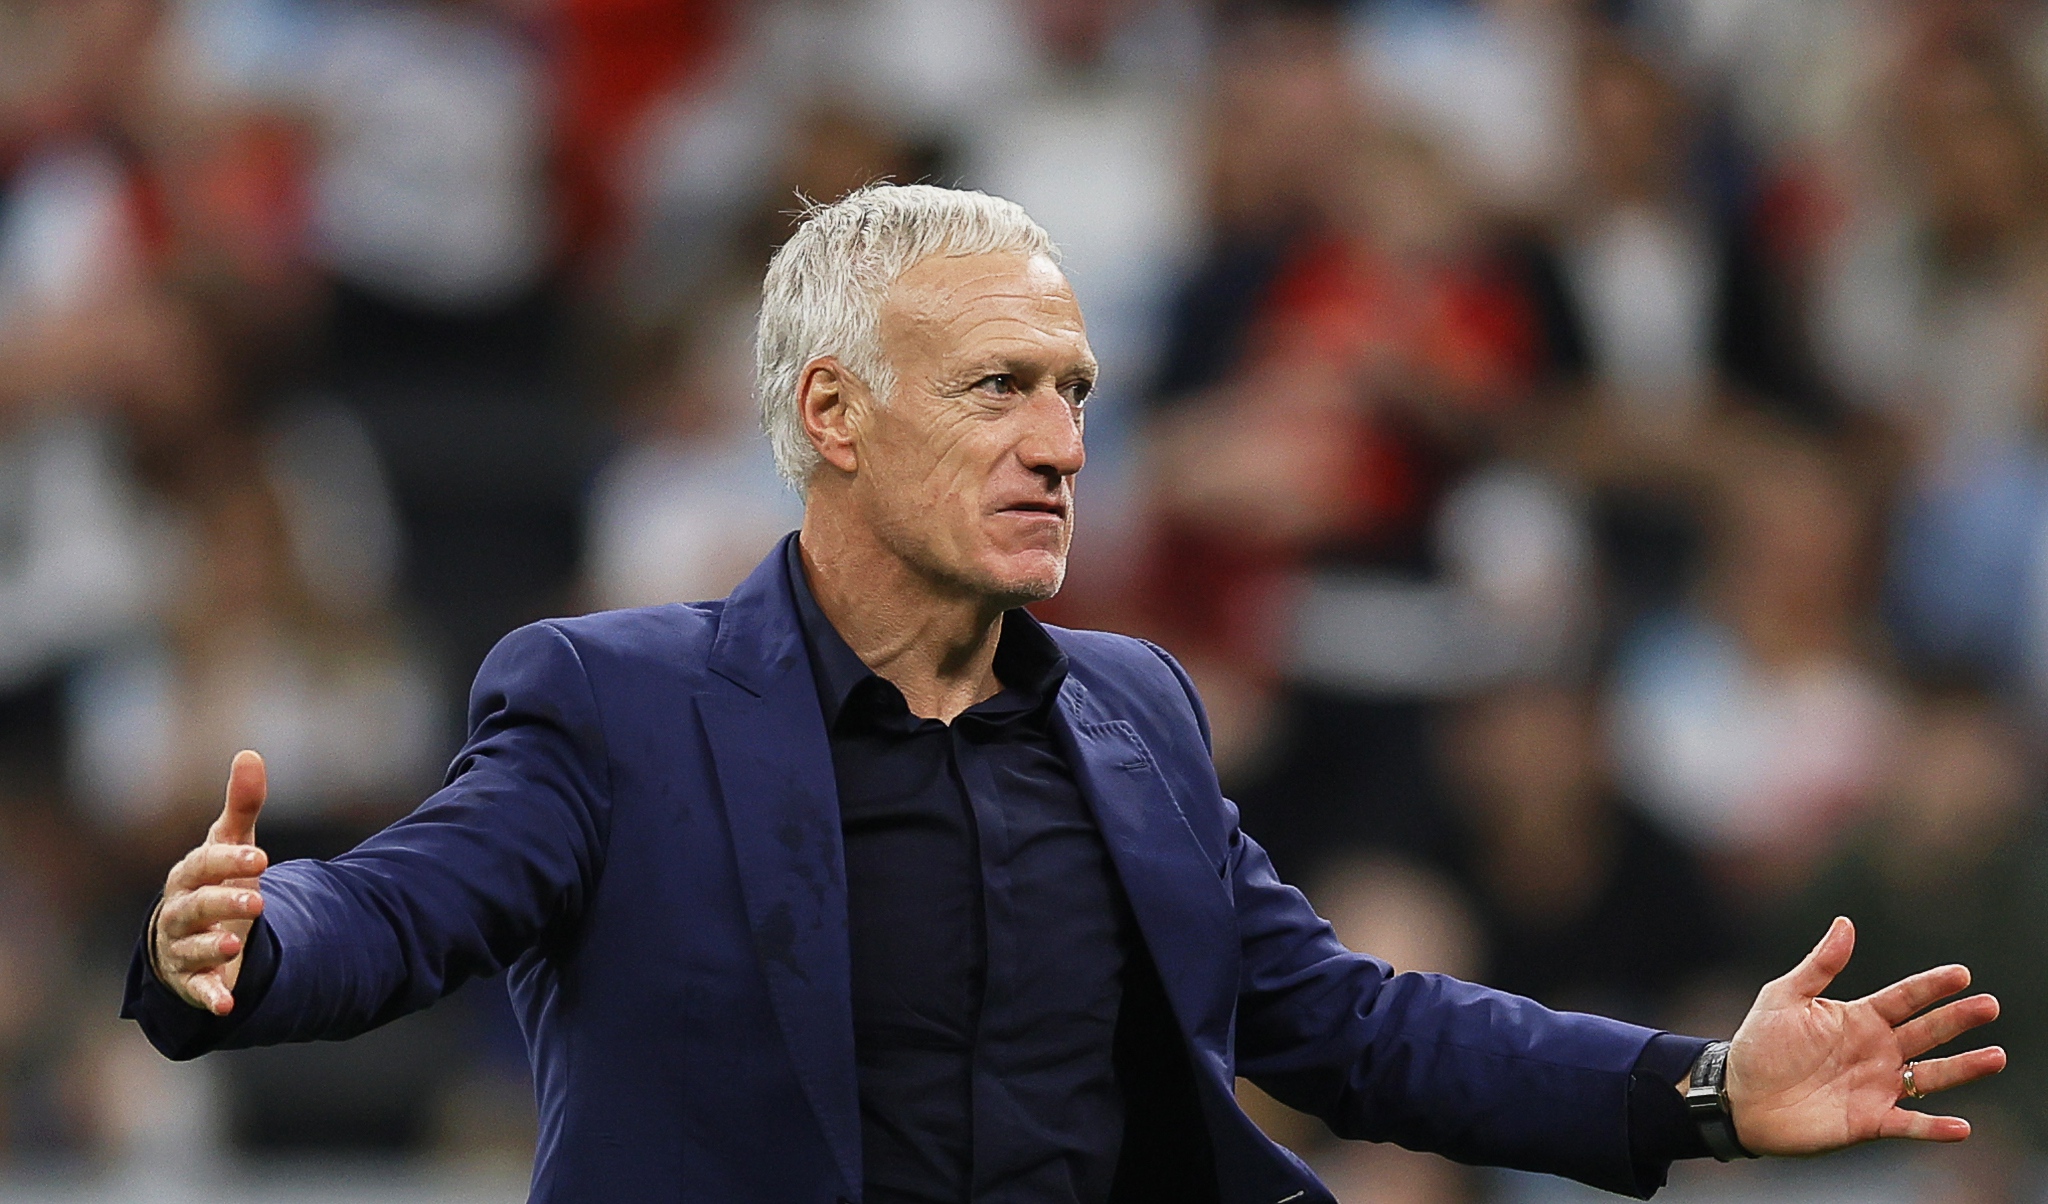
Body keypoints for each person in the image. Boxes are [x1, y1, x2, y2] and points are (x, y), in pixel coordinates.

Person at [123, 184, 2002, 1204]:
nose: (1061, 444)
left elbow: (1341, 1023)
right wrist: (245, 945)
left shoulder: (1133, 709)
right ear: (831, 420)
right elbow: (403, 905)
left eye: (1078, 391)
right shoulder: (614, 701)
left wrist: (1697, 1092)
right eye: (999, 389)